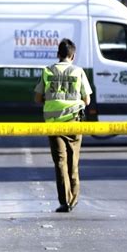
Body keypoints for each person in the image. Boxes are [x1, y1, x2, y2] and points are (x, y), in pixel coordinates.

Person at [34, 39, 92, 213]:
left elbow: (37, 98)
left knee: (60, 161)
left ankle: (65, 201)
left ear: (57, 54)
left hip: (54, 125)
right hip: (74, 123)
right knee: (73, 161)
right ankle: (74, 198)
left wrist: (51, 101)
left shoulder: (47, 71)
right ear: (72, 55)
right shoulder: (78, 72)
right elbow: (87, 100)